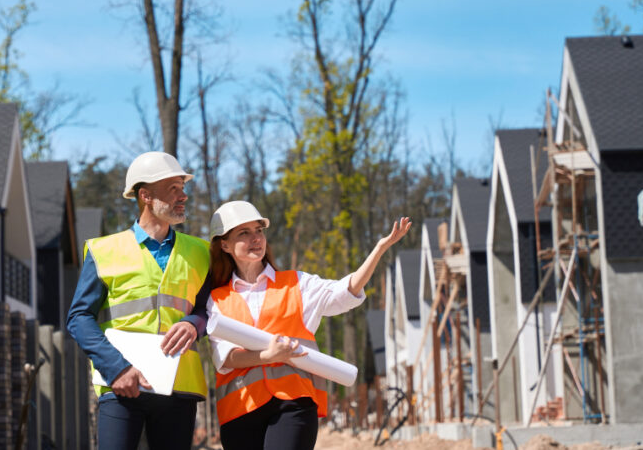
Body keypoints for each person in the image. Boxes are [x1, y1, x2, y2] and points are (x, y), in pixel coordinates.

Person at [206, 200, 412, 450]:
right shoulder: (217, 299)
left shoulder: (296, 284)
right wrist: (268, 355)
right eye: (244, 233)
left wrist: (379, 249)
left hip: (293, 403)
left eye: (259, 231)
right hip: (240, 410)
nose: (256, 238)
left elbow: (344, 292)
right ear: (224, 244)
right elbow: (225, 358)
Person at [66, 151, 211, 450]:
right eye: (173, 188)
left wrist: (195, 324)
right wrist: (115, 368)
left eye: (182, 188)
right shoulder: (103, 251)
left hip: (179, 386)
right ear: (145, 195)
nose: (183, 196)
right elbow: (79, 318)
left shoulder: (201, 252)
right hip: (122, 384)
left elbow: (211, 308)